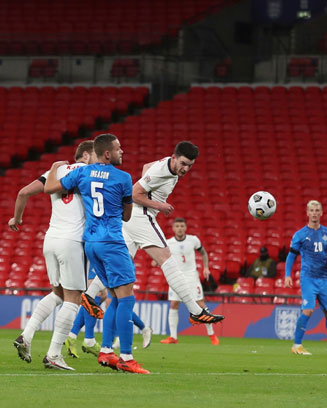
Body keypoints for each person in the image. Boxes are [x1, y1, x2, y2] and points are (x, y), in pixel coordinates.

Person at [79, 141, 224, 327]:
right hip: (142, 215)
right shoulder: (162, 171)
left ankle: (89, 296)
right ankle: (196, 311)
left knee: (119, 261)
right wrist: (159, 205)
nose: (186, 169)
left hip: (132, 220)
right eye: (183, 163)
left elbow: (147, 167)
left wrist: (148, 185)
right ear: (174, 158)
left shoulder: (167, 165)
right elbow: (133, 193)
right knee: (166, 259)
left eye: (190, 166)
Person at [44, 133, 149, 374]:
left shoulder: (83, 173)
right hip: (112, 240)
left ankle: (106, 353)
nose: (123, 152)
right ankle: (126, 357)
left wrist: (53, 167)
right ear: (107, 153)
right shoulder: (123, 178)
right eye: (119, 148)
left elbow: (50, 187)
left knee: (113, 294)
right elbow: (126, 216)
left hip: (90, 243)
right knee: (126, 297)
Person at [10, 141, 96, 370]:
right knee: (74, 298)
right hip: (73, 241)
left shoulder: (54, 171)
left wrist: (16, 219)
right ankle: (54, 354)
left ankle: (26, 336)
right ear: (86, 155)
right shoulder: (90, 172)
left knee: (58, 293)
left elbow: (23, 193)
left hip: (51, 239)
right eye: (96, 154)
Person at [284, 200, 327, 356]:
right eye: (312, 210)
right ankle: (297, 345)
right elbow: (291, 256)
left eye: (317, 210)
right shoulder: (300, 235)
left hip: (325, 278)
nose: (314, 213)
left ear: (321, 213)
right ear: (307, 213)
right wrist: (287, 274)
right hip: (308, 278)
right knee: (308, 310)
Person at [160, 217, 219, 345]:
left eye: (182, 226)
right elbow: (162, 256)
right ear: (173, 228)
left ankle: (212, 334)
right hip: (176, 276)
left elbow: (203, 253)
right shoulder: (168, 242)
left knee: (200, 304)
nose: (180, 228)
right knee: (174, 304)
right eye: (177, 226)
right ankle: (173, 337)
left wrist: (206, 268)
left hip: (191, 276)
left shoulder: (193, 240)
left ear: (185, 228)